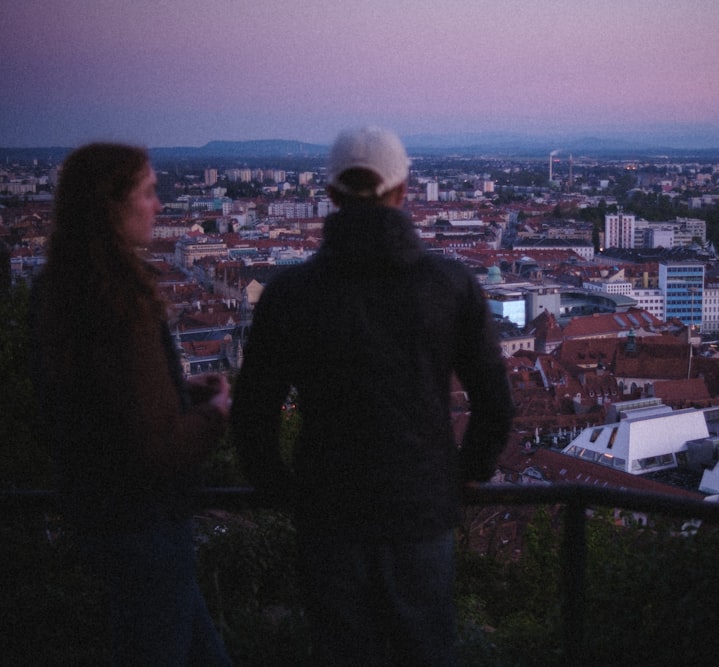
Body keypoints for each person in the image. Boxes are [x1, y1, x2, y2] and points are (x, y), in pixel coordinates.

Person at [231, 126, 514, 666]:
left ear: (331, 195)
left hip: (328, 512)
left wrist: (284, 490)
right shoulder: (450, 285)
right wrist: (460, 477)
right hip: (420, 510)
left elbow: (253, 415)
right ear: (404, 191)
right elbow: (494, 405)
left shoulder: (288, 292)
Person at [30, 143, 232, 666]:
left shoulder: (55, 289)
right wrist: (217, 412)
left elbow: (98, 403)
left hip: (94, 508)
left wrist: (179, 392)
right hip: (146, 521)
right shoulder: (121, 300)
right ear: (110, 206)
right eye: (147, 193)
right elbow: (158, 447)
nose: (159, 206)